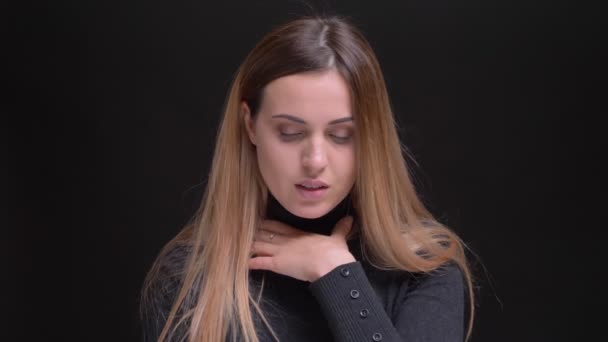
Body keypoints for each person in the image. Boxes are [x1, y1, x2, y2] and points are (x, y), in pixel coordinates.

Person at [140, 15, 475, 342]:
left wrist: (337, 275)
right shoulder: (189, 279)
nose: (314, 161)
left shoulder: (425, 270)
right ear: (250, 125)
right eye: (289, 132)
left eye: (342, 135)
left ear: (371, 137)